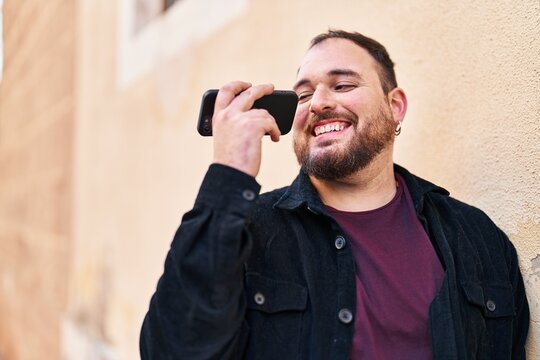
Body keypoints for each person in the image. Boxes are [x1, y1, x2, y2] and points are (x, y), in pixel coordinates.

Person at [140, 30, 529, 359]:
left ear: (395, 107)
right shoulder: (246, 230)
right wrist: (228, 174)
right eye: (304, 94)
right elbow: (173, 349)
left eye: (343, 85)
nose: (320, 103)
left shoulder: (477, 238)